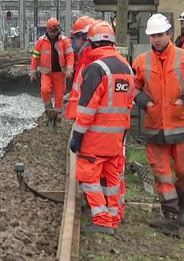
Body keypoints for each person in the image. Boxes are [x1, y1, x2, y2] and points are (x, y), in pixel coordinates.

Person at [70, 21, 135, 235]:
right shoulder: (126, 67)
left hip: (95, 138)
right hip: (116, 138)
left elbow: (87, 109)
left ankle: (101, 218)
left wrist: (77, 136)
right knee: (112, 177)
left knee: (88, 176)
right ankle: (115, 216)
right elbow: (128, 104)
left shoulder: (96, 69)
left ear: (92, 43)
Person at [132, 13, 184, 236]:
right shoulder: (141, 61)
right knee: (163, 175)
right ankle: (172, 217)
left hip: (181, 128)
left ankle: (181, 210)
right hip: (155, 128)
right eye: (153, 36)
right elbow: (133, 88)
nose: (156, 39)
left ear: (169, 34)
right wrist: (144, 102)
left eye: (160, 35)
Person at [29, 18, 74, 116]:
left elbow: (70, 55)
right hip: (46, 73)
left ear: (58, 30)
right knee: (45, 90)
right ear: (47, 30)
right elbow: (35, 57)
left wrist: (70, 69)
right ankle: (48, 110)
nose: (53, 34)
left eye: (55, 31)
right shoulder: (41, 41)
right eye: (51, 31)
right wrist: (32, 71)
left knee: (59, 94)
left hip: (60, 73)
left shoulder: (65, 41)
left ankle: (58, 114)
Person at [65, 16, 96, 120]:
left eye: (74, 38)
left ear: (83, 38)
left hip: (86, 120)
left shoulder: (91, 61)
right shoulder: (85, 58)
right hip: (82, 117)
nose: (72, 42)